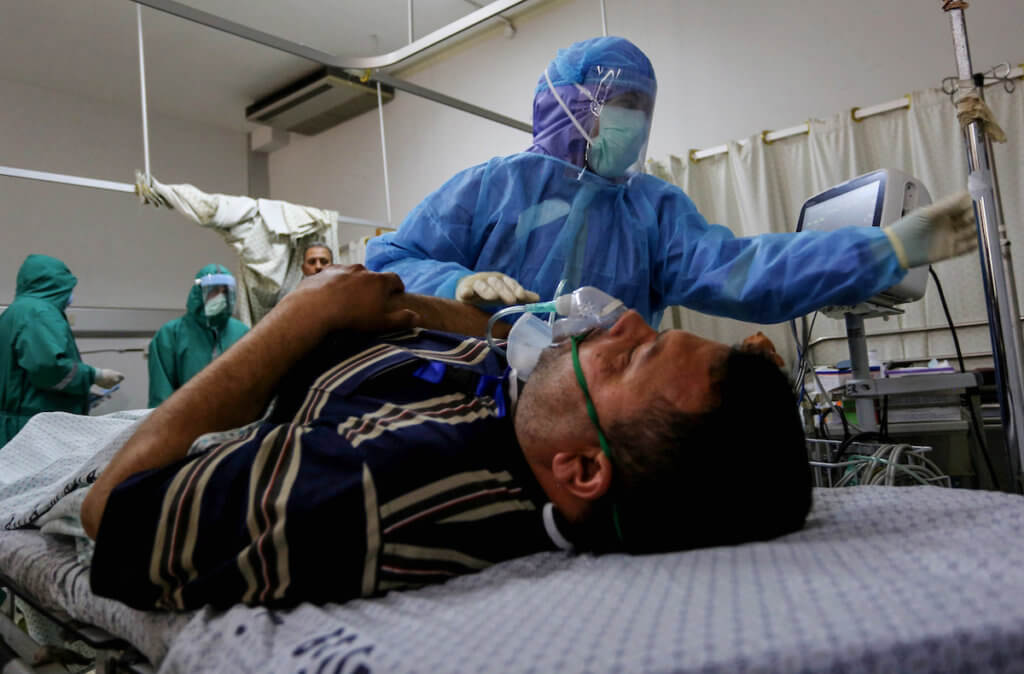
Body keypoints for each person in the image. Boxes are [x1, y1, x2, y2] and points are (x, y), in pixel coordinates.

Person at [82, 265, 809, 611]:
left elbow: (111, 513)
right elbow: (497, 336)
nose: (617, 323)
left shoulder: (374, 492)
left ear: (583, 471)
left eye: (631, 355)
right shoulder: (539, 417)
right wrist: (420, 306)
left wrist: (299, 318)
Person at [365, 36, 977, 326]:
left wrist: (888, 249)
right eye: (620, 102)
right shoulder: (493, 188)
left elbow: (743, 272)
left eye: (643, 107)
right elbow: (388, 261)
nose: (635, 121)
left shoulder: (651, 211)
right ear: (570, 105)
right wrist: (458, 280)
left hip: (599, 407)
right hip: (480, 392)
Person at [0, 254, 124, 448]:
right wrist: (94, 375)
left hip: (16, 425)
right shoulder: (40, 312)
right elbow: (48, 368)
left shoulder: (15, 312)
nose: (70, 296)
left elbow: (25, 377)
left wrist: (83, 394)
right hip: (34, 432)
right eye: (69, 289)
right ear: (55, 286)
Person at [147, 264, 249, 407]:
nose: (220, 297)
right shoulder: (171, 335)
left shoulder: (243, 333)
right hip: (183, 420)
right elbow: (161, 395)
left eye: (225, 291)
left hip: (235, 422)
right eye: (214, 290)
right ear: (198, 292)